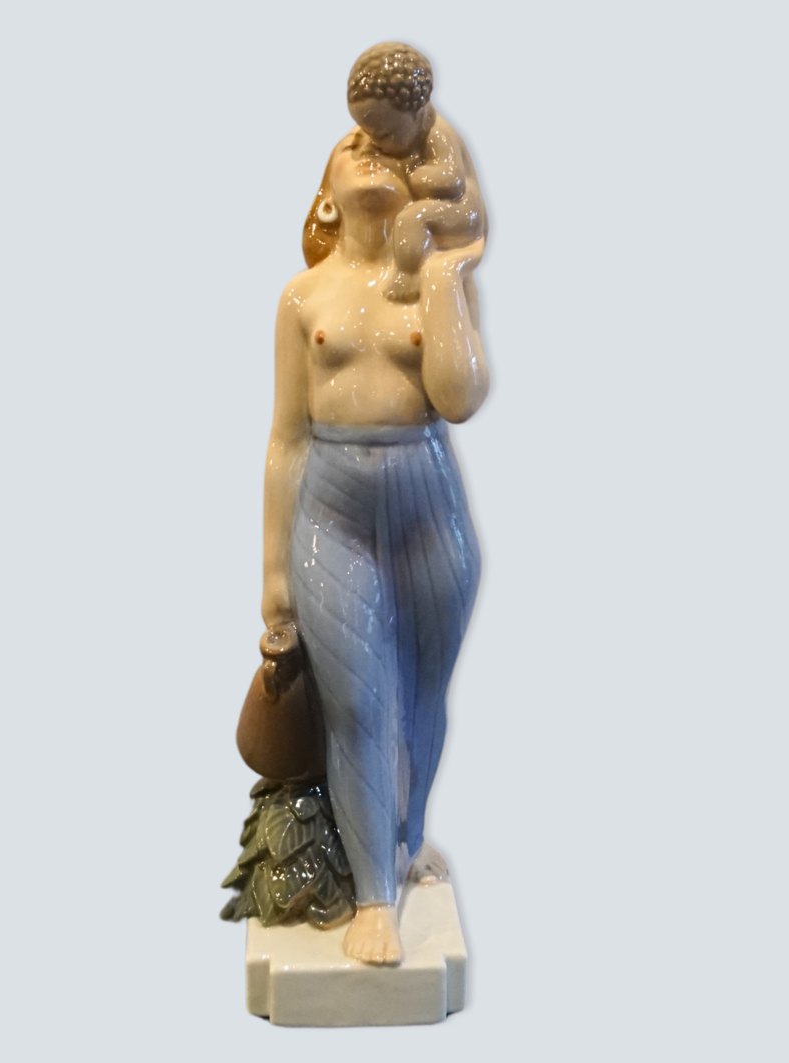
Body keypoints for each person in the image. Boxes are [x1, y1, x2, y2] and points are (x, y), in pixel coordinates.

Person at [261, 128, 489, 965]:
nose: (365, 146)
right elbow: (285, 437)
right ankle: (372, 896)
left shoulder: (432, 281)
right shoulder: (303, 297)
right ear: (324, 192)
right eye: (348, 142)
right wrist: (273, 571)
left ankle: (407, 832)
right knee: (358, 699)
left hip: (427, 493)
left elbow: (458, 396)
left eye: (381, 145)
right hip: (333, 503)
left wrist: (446, 273)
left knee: (423, 688)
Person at [344, 41, 486, 304]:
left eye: (385, 135)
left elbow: (451, 180)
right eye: (368, 132)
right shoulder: (405, 135)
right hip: (440, 205)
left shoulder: (438, 134)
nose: (375, 142)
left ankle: (408, 274)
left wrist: (414, 174)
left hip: (461, 210)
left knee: (412, 219)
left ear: (417, 112)